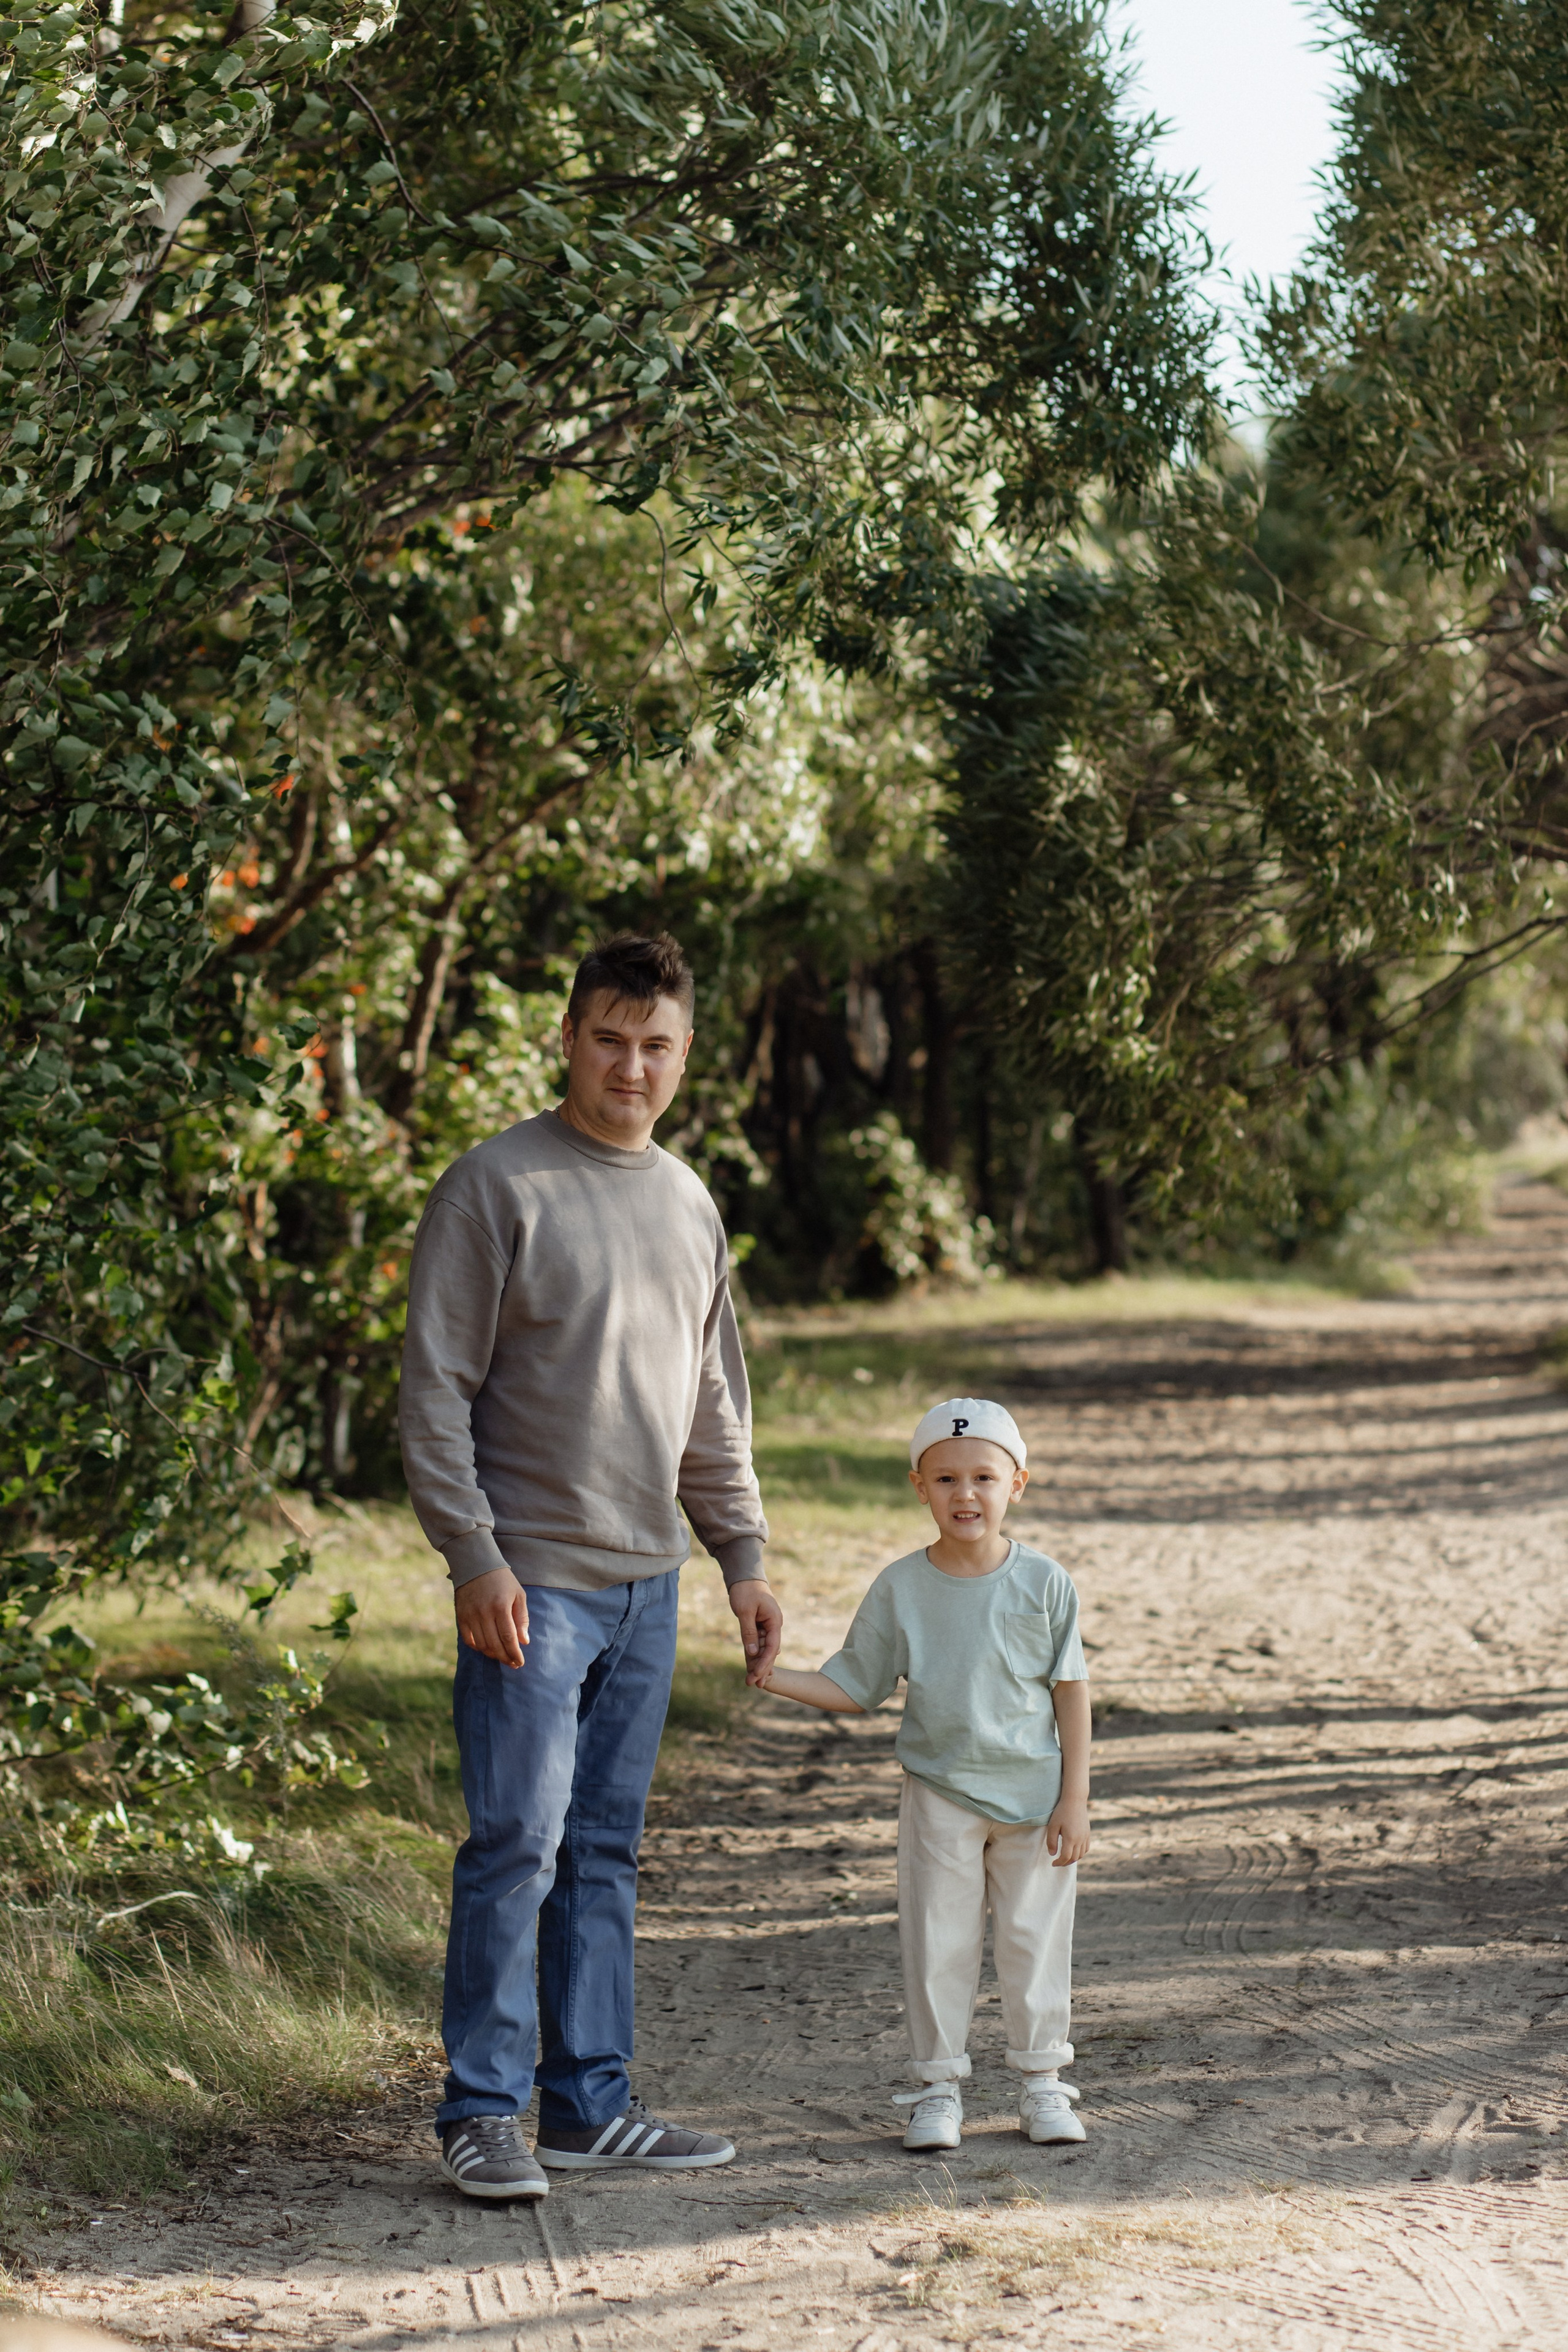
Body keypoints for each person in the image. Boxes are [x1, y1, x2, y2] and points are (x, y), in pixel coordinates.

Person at [398, 931, 782, 2200]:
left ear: (685, 1055)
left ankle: (587, 2106)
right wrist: (473, 1556)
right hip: (530, 1587)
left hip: (646, 1586)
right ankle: (482, 2112)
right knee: (518, 1843)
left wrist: (741, 1555)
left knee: (604, 1849)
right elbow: (435, 1394)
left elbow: (710, 1405)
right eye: (608, 1039)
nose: (631, 1064)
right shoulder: (495, 1186)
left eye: (655, 1044)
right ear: (567, 1038)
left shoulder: (684, 1201)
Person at [756, 1397, 1090, 2154]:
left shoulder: (1045, 1583)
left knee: (1034, 1941)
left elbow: (1071, 1692)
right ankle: (937, 2090)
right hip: (941, 1792)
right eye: (945, 1478)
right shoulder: (901, 1587)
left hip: (1035, 1798)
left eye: (982, 1477)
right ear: (919, 1487)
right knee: (937, 1940)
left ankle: (1043, 2085)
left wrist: (1075, 1797)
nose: (964, 1494)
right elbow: (855, 1684)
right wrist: (774, 1679)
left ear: (1018, 1484)